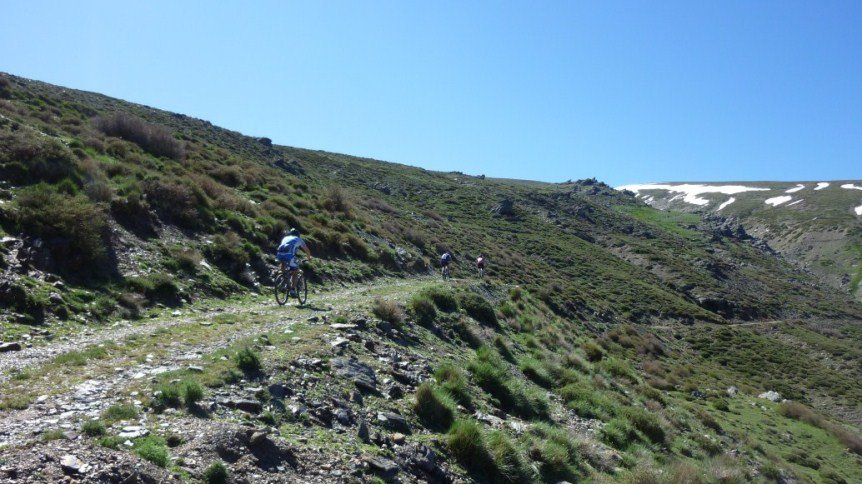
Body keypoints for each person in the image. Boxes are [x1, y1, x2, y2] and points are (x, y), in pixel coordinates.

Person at [277, 228, 312, 295]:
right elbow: (307, 250)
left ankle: (284, 278)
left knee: (283, 262)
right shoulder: (299, 239)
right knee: (295, 272)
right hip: (289, 256)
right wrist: (309, 258)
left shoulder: (285, 238)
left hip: (279, 254)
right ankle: (292, 290)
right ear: (298, 235)